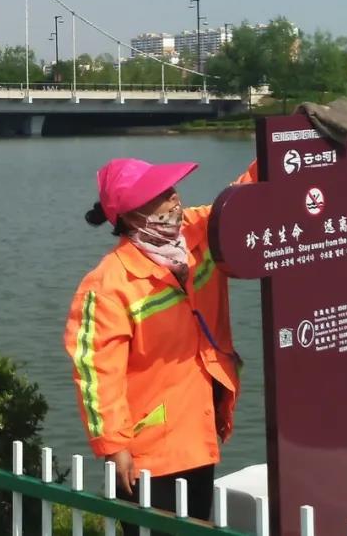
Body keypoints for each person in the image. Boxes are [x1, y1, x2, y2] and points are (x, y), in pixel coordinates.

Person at [63, 156, 256, 534]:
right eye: (160, 195)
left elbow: (244, 201)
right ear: (132, 215)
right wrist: (114, 445)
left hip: (197, 431)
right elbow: (96, 373)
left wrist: (295, 139)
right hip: (148, 453)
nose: (174, 199)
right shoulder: (109, 283)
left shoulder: (199, 234)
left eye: (171, 190)